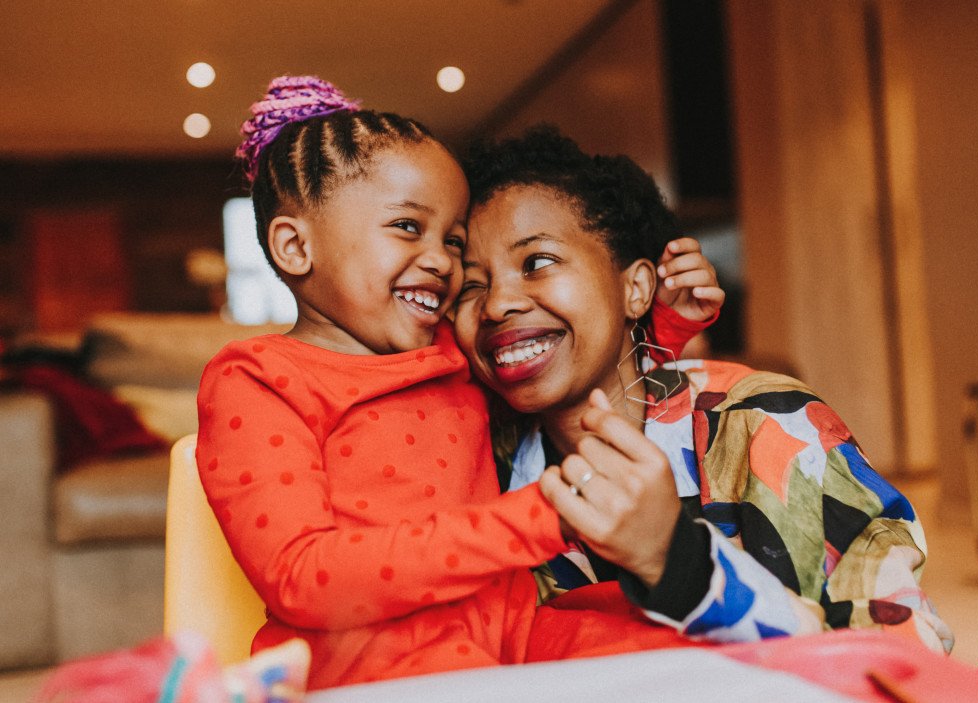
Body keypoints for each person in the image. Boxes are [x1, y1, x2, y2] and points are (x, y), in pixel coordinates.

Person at [196, 77, 723, 691]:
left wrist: (660, 319)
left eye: (451, 241)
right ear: (294, 246)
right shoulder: (257, 379)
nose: (443, 261)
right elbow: (303, 575)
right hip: (369, 662)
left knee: (689, 656)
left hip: (512, 632)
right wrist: (538, 516)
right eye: (407, 227)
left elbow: (561, 375)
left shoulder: (445, 348)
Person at [453, 126, 955, 654]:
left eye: (537, 262)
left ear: (636, 287)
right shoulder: (489, 466)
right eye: (471, 284)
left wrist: (678, 564)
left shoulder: (764, 422)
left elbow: (901, 654)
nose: (495, 304)